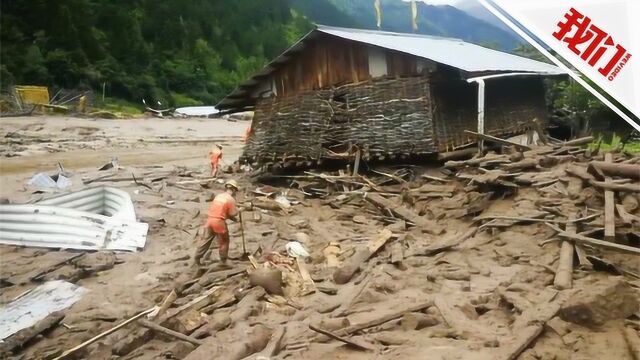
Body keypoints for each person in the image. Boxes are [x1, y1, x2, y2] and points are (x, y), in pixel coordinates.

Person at [194, 179, 239, 267]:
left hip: (210, 220)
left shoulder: (219, 196)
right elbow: (233, 213)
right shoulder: (230, 199)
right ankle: (223, 261)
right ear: (233, 190)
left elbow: (221, 211)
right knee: (224, 241)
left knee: (206, 240)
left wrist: (233, 219)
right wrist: (239, 210)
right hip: (219, 223)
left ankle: (197, 256)